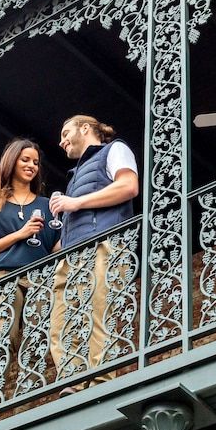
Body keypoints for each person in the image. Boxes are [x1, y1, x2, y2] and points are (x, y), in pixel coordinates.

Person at [49, 115, 139, 393]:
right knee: (61, 324)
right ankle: (74, 380)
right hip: (72, 254)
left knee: (101, 311)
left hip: (104, 243)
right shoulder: (75, 175)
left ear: (85, 128)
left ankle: (101, 381)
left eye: (66, 133)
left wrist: (75, 202)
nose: (61, 141)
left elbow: (128, 186)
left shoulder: (114, 149)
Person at [0, 138, 59, 353]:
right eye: (25, 160)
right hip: (5, 275)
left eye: (36, 162)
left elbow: (55, 248)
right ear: (11, 162)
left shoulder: (46, 205)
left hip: (41, 277)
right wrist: (20, 234)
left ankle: (32, 375)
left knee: (37, 339)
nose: (31, 166)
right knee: (4, 338)